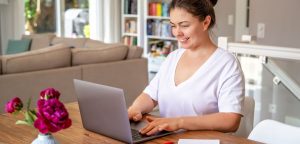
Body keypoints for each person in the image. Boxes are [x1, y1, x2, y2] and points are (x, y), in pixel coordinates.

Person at [128, 0, 245, 136]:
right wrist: (135, 108)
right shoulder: (173, 57)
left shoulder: (227, 64)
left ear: (206, 22)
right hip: (166, 139)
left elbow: (231, 121)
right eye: (173, 26)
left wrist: (179, 122)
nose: (177, 33)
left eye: (184, 25)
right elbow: (151, 95)